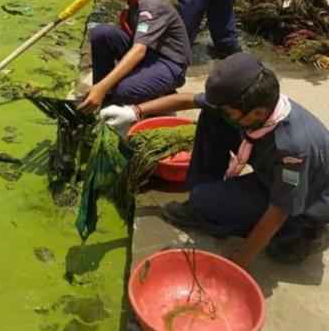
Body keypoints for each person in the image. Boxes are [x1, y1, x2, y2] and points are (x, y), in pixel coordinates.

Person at [100, 52, 329, 268]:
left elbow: (280, 208)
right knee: (212, 116)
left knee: (277, 245)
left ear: (257, 113)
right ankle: (204, 195)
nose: (225, 113)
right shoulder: (255, 106)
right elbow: (188, 100)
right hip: (269, 176)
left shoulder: (292, 148)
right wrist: (134, 111)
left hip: (308, 198)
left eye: (230, 111)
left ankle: (305, 232)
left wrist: (240, 259)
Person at [77, 0, 191, 114]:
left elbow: (138, 51)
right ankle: (101, 96)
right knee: (101, 33)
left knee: (124, 91)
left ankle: (159, 94)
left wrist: (104, 86)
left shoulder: (151, 6)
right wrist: (102, 87)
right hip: (150, 53)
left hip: (168, 62)